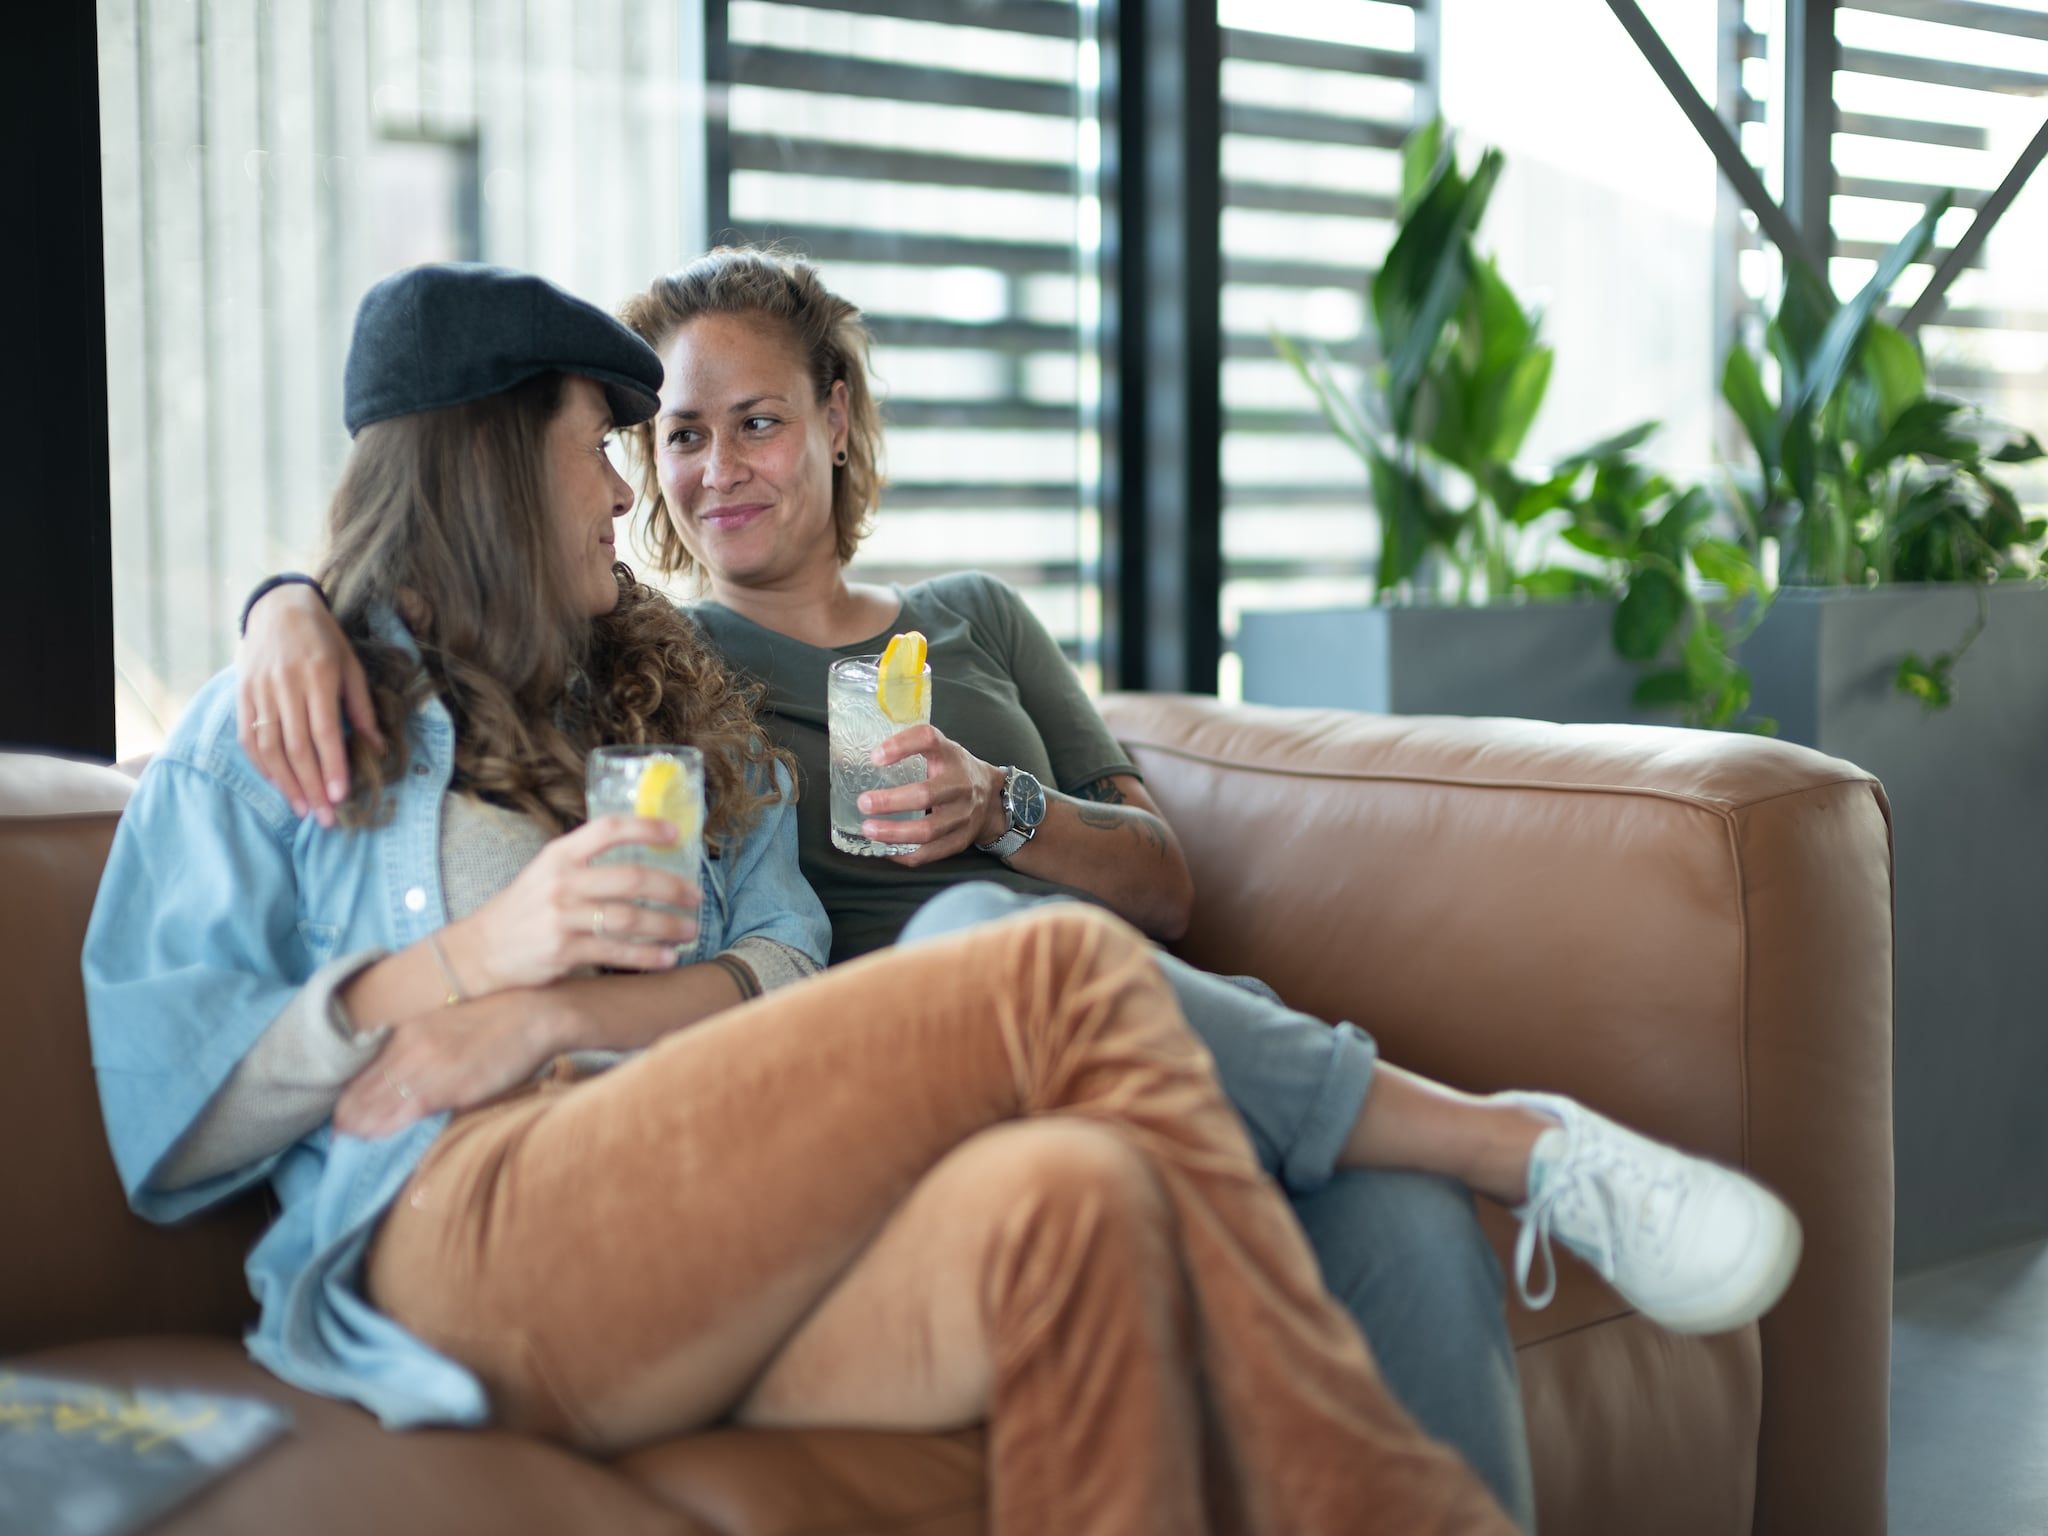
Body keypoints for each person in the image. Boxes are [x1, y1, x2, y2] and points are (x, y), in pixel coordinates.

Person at [237, 250, 1808, 1529]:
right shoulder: (655, 654)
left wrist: (1008, 802)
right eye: (678, 435)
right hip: (925, 1083)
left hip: (1163, 1027)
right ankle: (1516, 1141)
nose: (712, 468)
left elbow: (1168, 885)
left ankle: (1448, 1191)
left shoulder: (976, 618)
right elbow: (448, 578)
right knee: (970, 936)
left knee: (1390, 1201)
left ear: (837, 416)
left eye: (758, 422)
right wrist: (286, 605)